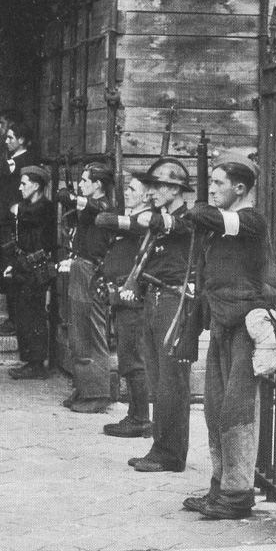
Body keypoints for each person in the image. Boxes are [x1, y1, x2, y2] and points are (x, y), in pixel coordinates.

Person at [183, 153, 270, 519]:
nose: (213, 189)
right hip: (222, 320)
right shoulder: (226, 220)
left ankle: (237, 495)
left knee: (237, 413)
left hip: (245, 325)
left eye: (219, 183)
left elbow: (201, 215)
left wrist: (199, 206)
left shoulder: (250, 220)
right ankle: (220, 487)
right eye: (212, 182)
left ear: (240, 188)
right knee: (216, 410)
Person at [100, 159, 198, 470]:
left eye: (155, 186)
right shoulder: (165, 215)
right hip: (155, 297)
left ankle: (170, 454)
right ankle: (161, 447)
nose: (151, 192)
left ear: (174, 188)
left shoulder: (187, 218)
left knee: (171, 381)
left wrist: (142, 219)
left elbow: (171, 226)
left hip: (174, 300)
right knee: (158, 378)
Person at [92, 171, 154, 438]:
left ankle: (141, 418)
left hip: (133, 301)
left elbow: (103, 218)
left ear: (146, 195)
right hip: (121, 298)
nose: (126, 192)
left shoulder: (146, 222)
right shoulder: (132, 220)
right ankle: (134, 414)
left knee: (133, 360)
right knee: (129, 358)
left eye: (132, 188)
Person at [58, 162, 115, 413]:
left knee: (93, 332)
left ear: (98, 185)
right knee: (79, 332)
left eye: (85, 181)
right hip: (82, 268)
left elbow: (83, 204)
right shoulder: (91, 207)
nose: (81, 185)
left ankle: (99, 394)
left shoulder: (102, 207)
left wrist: (69, 195)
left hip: (93, 272)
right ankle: (84, 388)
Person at [5, 165, 56, 380]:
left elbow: (32, 224)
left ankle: (36, 364)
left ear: (36, 186)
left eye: (24, 183)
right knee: (24, 315)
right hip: (23, 267)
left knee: (33, 315)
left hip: (36, 269)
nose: (20, 187)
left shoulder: (44, 208)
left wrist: (17, 212)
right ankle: (31, 361)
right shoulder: (26, 207)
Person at [0, 122, 39, 337]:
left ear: (22, 140)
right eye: (6, 137)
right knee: (6, 263)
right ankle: (13, 317)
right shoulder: (13, 158)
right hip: (6, 217)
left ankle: (15, 321)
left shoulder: (27, 160)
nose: (7, 141)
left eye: (11, 137)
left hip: (18, 219)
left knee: (13, 265)